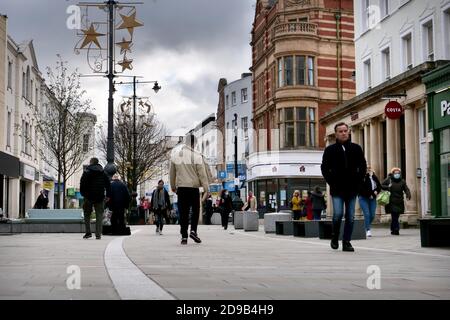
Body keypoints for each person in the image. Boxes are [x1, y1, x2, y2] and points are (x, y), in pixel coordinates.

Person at [321, 122, 367, 252]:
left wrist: (359, 180)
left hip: (352, 188)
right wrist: (331, 182)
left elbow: (363, 165)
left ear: (348, 131)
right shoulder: (330, 150)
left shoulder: (356, 148)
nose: (343, 133)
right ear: (336, 133)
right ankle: (335, 237)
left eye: (345, 131)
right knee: (338, 214)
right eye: (340, 131)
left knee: (351, 216)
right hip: (337, 188)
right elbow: (324, 168)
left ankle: (347, 241)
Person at [169, 134, 212, 245]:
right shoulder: (197, 156)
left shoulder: (175, 155)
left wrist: (173, 187)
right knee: (195, 210)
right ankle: (193, 230)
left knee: (183, 212)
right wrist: (206, 189)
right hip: (193, 188)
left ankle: (184, 236)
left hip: (182, 189)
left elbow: (172, 173)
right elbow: (202, 174)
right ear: (194, 143)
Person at [80, 157, 111, 240]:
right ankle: (98, 234)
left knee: (87, 214)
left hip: (88, 196)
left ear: (91, 163)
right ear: (97, 163)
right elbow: (108, 185)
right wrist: (108, 195)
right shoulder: (103, 172)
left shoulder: (86, 171)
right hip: (100, 196)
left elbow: (82, 183)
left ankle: (88, 232)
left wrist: (83, 194)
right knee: (99, 215)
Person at [381, 167, 411, 235]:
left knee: (396, 216)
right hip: (391, 200)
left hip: (399, 200)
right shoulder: (389, 179)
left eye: (398, 173)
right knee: (394, 215)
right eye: (395, 173)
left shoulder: (402, 181)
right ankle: (396, 229)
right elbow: (381, 185)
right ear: (393, 173)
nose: (397, 174)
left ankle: (393, 229)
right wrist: (388, 187)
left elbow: (406, 189)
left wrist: (408, 194)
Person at [358, 165, 382, 237]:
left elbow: (379, 186)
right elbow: (361, 188)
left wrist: (376, 191)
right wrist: (370, 194)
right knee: (367, 214)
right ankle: (368, 229)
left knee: (372, 215)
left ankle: (366, 226)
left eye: (369, 168)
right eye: (366, 168)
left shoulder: (374, 177)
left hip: (372, 198)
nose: (368, 170)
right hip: (363, 198)